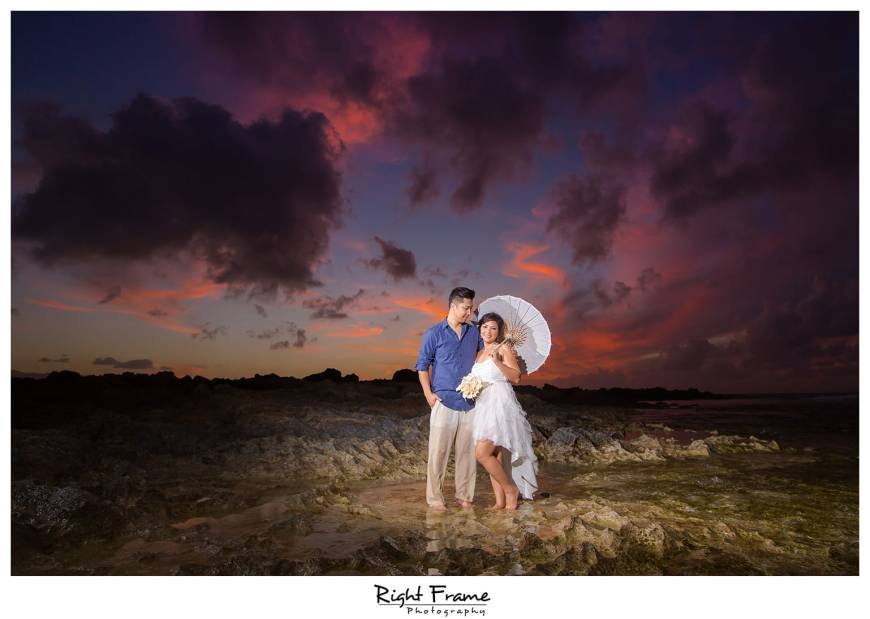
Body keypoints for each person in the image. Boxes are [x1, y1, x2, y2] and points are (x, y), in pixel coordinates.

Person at [415, 287, 484, 511]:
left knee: (467, 454)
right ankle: (435, 501)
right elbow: (422, 366)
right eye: (466, 308)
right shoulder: (434, 333)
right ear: (453, 306)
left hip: (470, 402)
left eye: (471, 308)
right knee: (438, 454)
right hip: (443, 401)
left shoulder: (474, 333)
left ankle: (464, 497)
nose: (469, 313)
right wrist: (428, 395)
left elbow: (485, 355)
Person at [470, 312, 539, 511]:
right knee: (496, 456)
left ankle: (511, 490)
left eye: (493, 328)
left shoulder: (505, 348)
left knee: (481, 454)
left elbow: (516, 377)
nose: (488, 331)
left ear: (499, 331)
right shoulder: (479, 353)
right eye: (484, 327)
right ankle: (501, 502)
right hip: (483, 404)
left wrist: (498, 362)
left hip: (499, 403)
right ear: (480, 329)